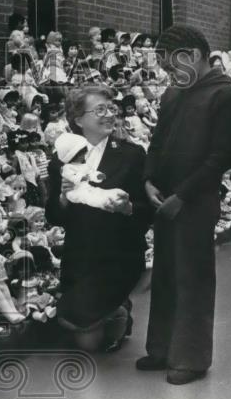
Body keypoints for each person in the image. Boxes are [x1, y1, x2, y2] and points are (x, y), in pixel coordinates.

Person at [139, 25, 231, 385]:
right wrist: (149, 180)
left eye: (173, 67)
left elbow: (222, 157)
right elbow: (156, 142)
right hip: (164, 198)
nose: (169, 75)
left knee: (193, 277)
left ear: (194, 56)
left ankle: (192, 358)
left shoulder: (223, 95)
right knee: (165, 273)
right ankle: (162, 348)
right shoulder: (173, 93)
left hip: (195, 201)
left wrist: (182, 195)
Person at [45, 85, 153, 352]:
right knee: (85, 343)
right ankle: (117, 312)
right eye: (100, 110)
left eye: (111, 109)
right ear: (78, 119)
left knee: (89, 343)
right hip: (80, 258)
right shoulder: (61, 159)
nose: (109, 115)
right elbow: (54, 216)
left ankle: (118, 309)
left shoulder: (132, 154)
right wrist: (62, 199)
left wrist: (128, 209)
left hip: (119, 256)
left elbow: (148, 211)